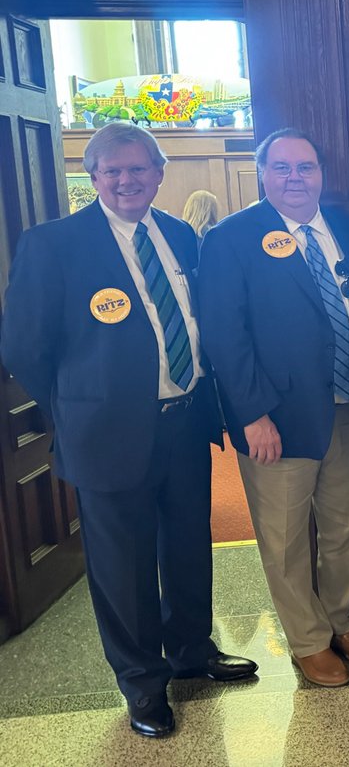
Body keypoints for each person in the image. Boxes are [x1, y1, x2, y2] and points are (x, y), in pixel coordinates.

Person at [0, 123, 256, 739]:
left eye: (138, 169)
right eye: (111, 171)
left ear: (159, 174)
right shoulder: (54, 244)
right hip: (107, 434)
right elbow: (24, 348)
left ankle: (193, 650)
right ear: (92, 177)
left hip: (186, 423)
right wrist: (77, 408)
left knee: (189, 548)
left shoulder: (178, 235)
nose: (125, 180)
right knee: (124, 566)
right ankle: (142, 684)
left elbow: (199, 320)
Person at [197, 128, 349, 690]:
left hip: (348, 406)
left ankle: (341, 622)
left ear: (321, 172)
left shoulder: (347, 230)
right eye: (282, 168)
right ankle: (307, 640)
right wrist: (252, 414)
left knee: (345, 528)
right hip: (276, 418)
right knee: (284, 537)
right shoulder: (232, 238)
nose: (295, 178)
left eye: (305, 167)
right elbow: (225, 336)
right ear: (263, 174)